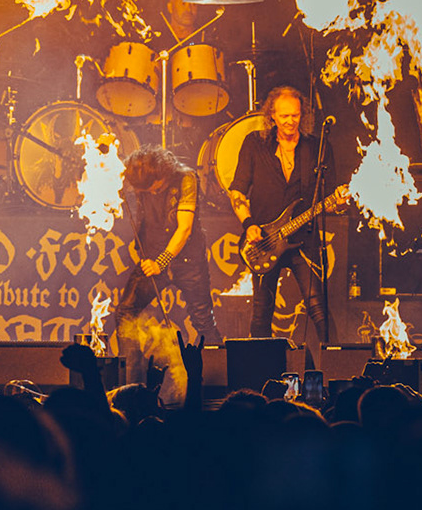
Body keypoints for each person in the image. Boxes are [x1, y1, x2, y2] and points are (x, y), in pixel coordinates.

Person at [227, 86, 342, 342]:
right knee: (261, 314)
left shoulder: (317, 148)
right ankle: (261, 376)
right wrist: (248, 225)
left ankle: (333, 368)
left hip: (304, 238)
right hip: (264, 241)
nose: (290, 121)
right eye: (284, 116)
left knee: (318, 308)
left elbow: (331, 195)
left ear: (303, 115)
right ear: (272, 116)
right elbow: (237, 191)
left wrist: (339, 201)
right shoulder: (255, 144)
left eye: (296, 116)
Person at [116, 147, 218, 348]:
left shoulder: (186, 178)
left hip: (188, 263)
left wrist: (161, 263)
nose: (153, 193)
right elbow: (113, 167)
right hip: (151, 258)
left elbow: (185, 228)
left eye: (157, 188)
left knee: (203, 323)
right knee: (125, 313)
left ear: (164, 173)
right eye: (148, 191)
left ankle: (213, 375)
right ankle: (129, 372)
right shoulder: (139, 176)